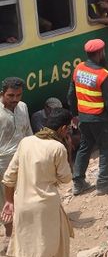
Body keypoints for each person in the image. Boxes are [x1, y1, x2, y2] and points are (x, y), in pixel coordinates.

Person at [1, 108, 74, 257]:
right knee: (48, 248)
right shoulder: (57, 148)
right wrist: (68, 148)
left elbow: (9, 177)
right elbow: (66, 178)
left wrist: (9, 202)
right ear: (63, 128)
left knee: (26, 248)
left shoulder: (25, 142)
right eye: (68, 129)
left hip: (22, 205)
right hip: (45, 207)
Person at [68, 39, 108, 195]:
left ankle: (78, 183)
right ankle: (103, 183)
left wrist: (74, 115)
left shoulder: (78, 69)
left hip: (84, 118)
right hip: (101, 119)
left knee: (85, 147)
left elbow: (71, 95)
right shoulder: (103, 75)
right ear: (100, 53)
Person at [0, 77, 31, 238]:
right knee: (6, 200)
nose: (15, 99)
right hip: (3, 163)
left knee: (25, 195)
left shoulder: (23, 107)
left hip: (23, 158)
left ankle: (26, 231)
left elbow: (28, 132)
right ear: (2, 94)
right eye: (11, 96)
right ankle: (10, 234)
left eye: (18, 95)